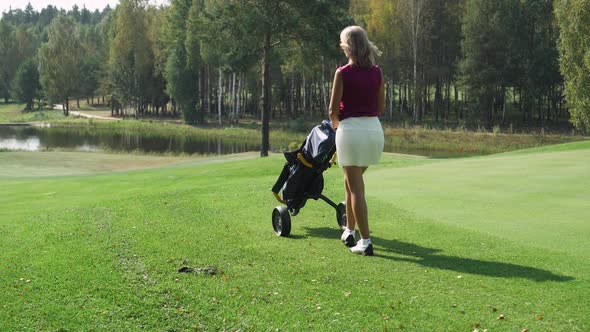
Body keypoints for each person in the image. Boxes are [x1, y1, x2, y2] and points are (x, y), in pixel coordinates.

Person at [328, 25, 384, 256]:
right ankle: (349, 230)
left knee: (356, 190)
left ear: (347, 47)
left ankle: (366, 241)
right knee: (350, 181)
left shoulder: (342, 73)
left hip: (350, 132)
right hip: (374, 132)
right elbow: (380, 107)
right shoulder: (377, 72)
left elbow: (332, 111)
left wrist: (337, 130)